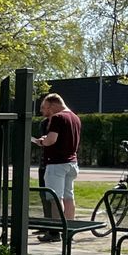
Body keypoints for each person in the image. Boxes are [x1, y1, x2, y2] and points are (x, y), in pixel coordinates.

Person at [32, 93, 81, 242]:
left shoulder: (58, 118)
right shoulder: (75, 117)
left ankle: (55, 232)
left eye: (45, 108)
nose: (43, 112)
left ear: (53, 105)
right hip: (72, 162)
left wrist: (41, 142)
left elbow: (51, 140)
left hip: (56, 163)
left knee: (55, 198)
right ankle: (69, 230)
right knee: (69, 197)